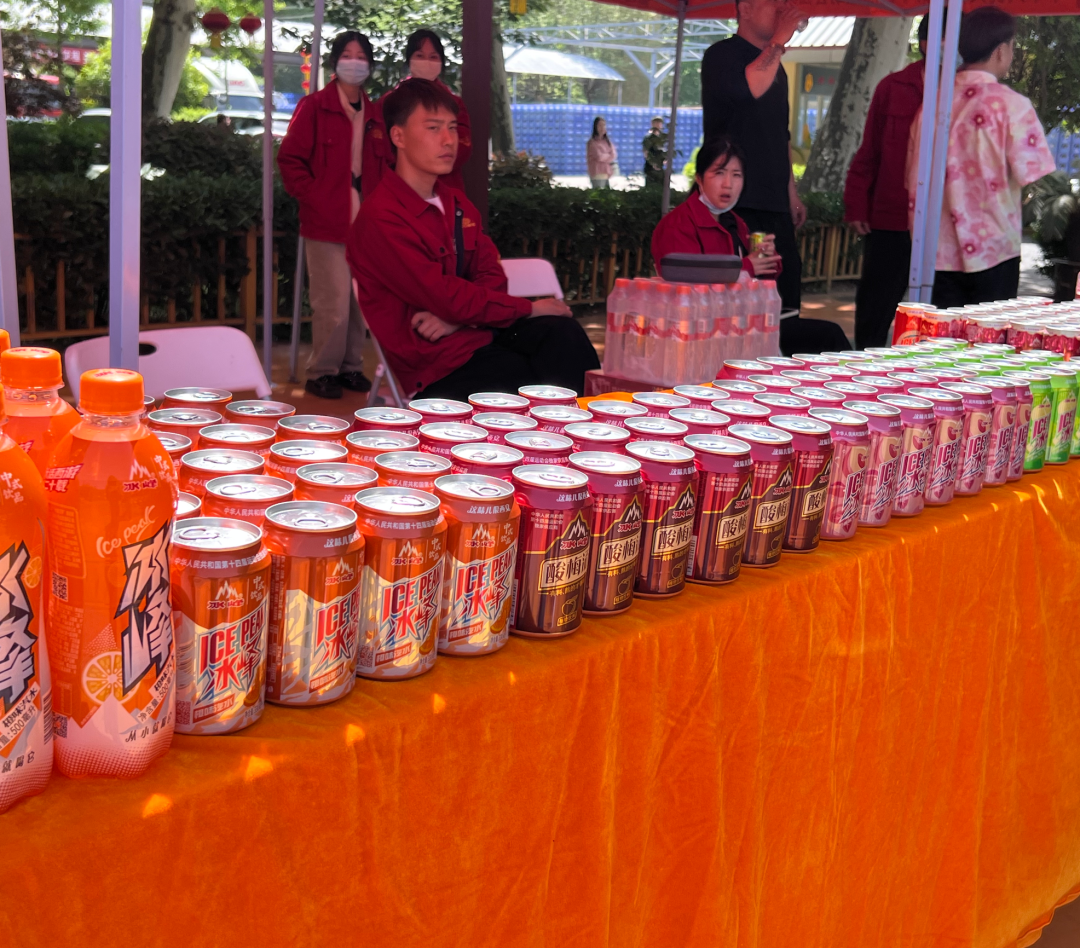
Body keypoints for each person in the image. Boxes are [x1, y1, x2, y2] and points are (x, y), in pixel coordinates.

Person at [348, 80, 600, 401]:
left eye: (452, 128)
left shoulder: (456, 204)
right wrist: (528, 308)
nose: (448, 139)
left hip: (480, 332)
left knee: (562, 334)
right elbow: (445, 296)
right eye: (433, 128)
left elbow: (492, 277)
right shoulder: (382, 217)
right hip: (437, 363)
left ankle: (588, 423)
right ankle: (562, 424)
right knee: (523, 378)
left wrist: (455, 319)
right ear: (398, 137)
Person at [906, 7, 1054, 308]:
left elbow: (911, 176)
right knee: (988, 333)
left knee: (941, 334)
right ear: (1001, 50)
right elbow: (1033, 173)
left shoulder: (931, 105)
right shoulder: (1012, 105)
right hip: (993, 246)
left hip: (934, 249)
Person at [278, 31, 388, 399]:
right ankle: (322, 371)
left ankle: (350, 366)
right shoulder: (314, 107)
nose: (354, 62)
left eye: (361, 56)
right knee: (333, 302)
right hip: (326, 221)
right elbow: (290, 159)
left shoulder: (375, 114)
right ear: (335, 62)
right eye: (347, 55)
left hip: (367, 221)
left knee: (360, 301)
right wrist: (314, 197)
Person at [700, 0, 807, 313]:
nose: (782, 10)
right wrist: (779, 40)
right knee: (744, 301)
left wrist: (791, 193)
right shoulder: (721, 54)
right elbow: (751, 89)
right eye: (773, 4)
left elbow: (781, 134)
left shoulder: (777, 68)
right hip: (736, 200)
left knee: (785, 297)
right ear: (745, 9)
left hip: (774, 201)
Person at [845, 15, 931, 349]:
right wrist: (856, 204)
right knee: (875, 307)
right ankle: (863, 366)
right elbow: (870, 149)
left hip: (941, 227)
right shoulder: (893, 87)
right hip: (891, 218)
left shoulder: (965, 92)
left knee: (937, 315)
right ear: (925, 44)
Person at [651, 136, 782, 278]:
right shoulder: (678, 224)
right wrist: (745, 267)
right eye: (719, 173)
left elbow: (762, 279)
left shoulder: (736, 222)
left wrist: (767, 257)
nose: (728, 184)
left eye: (736, 175)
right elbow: (684, 278)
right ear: (699, 179)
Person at [402, 29, 471, 191]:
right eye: (420, 55)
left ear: (441, 62)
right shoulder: (391, 102)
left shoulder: (454, 104)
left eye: (433, 57)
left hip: (445, 188)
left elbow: (463, 148)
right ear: (409, 60)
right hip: (403, 187)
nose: (426, 61)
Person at [586, 117, 618, 189]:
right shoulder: (592, 142)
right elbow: (599, 156)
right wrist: (608, 156)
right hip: (597, 173)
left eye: (604, 125)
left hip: (607, 173)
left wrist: (606, 156)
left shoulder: (607, 142)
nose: (602, 128)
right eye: (600, 125)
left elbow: (613, 155)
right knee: (598, 192)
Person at [642, 117, 668, 185]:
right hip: (650, 167)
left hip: (661, 166)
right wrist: (653, 164)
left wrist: (666, 160)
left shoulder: (662, 137)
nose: (658, 125)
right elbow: (646, 152)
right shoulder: (648, 137)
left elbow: (665, 149)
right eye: (656, 122)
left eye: (659, 123)